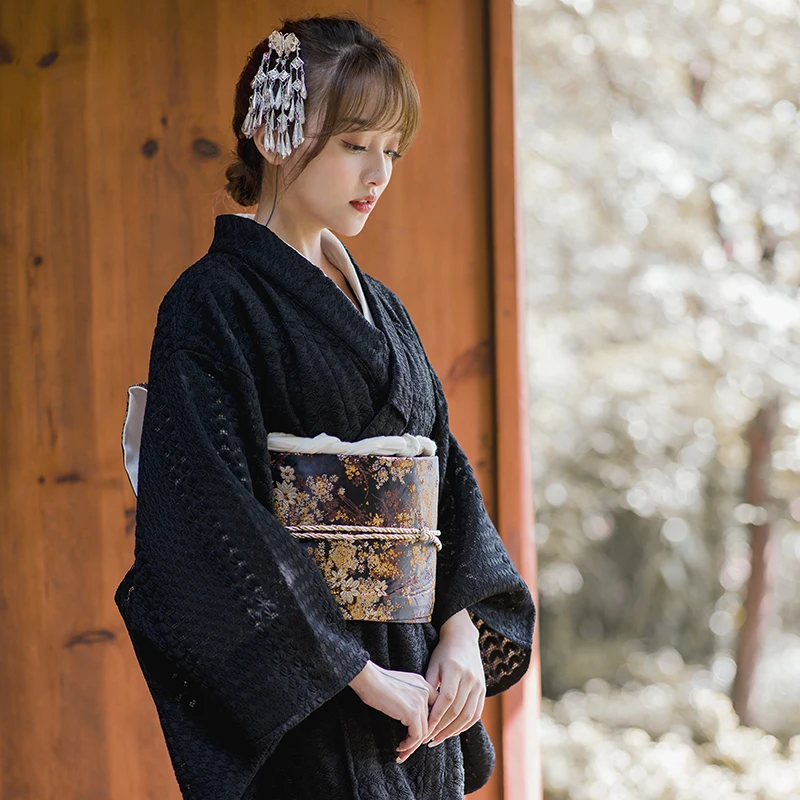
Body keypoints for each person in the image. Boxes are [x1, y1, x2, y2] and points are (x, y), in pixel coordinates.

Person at [115, 14, 536, 800]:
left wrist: (462, 634)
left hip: (418, 695)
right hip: (313, 704)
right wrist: (359, 675)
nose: (377, 173)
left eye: (391, 150)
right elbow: (210, 521)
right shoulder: (211, 305)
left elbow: (448, 487)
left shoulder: (387, 311)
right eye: (353, 145)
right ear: (276, 129)